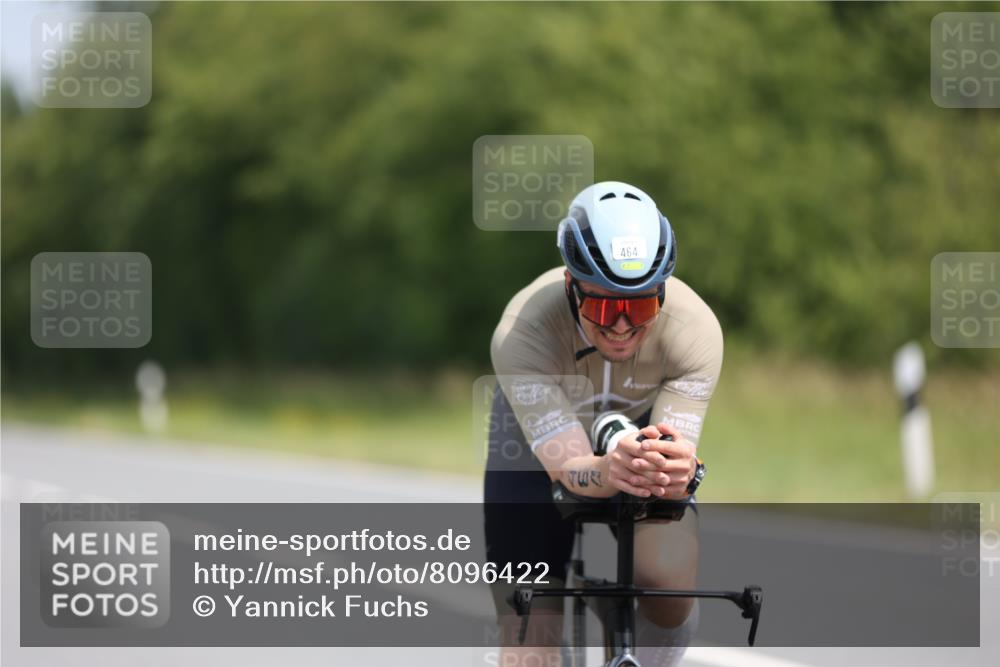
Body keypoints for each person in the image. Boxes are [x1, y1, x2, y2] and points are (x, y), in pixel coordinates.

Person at [483, 181, 723, 666]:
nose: (620, 326)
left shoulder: (696, 331)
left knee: (670, 579)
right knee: (531, 647)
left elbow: (678, 457)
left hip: (637, 434)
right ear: (572, 286)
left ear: (662, 291)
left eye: (638, 306)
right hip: (536, 446)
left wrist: (678, 472)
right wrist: (609, 471)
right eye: (602, 306)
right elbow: (569, 467)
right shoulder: (523, 330)